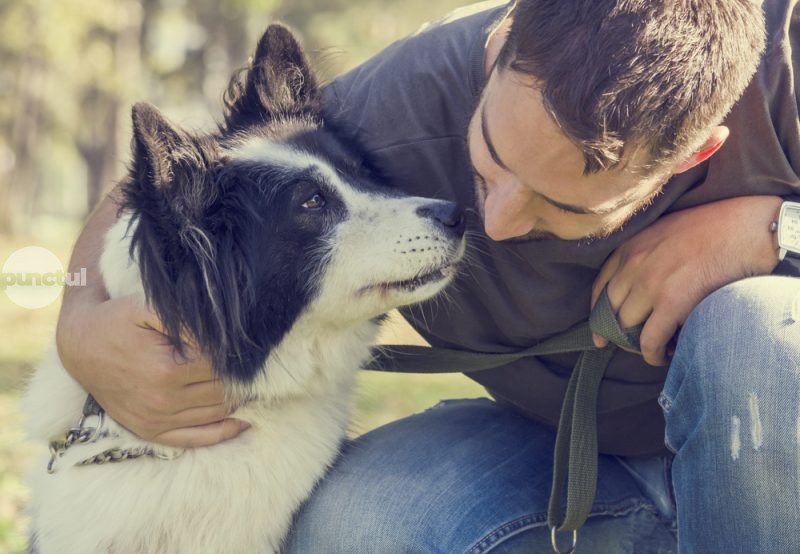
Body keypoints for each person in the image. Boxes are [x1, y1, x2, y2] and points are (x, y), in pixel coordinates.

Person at [56, 0, 800, 552]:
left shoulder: (786, 66)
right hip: (570, 463)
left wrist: (768, 228)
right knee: (346, 528)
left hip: (775, 453)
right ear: (501, 44)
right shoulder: (400, 98)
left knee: (756, 332)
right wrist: (77, 321)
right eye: (490, 160)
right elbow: (176, 181)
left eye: (560, 205)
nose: (497, 222)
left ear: (693, 155)